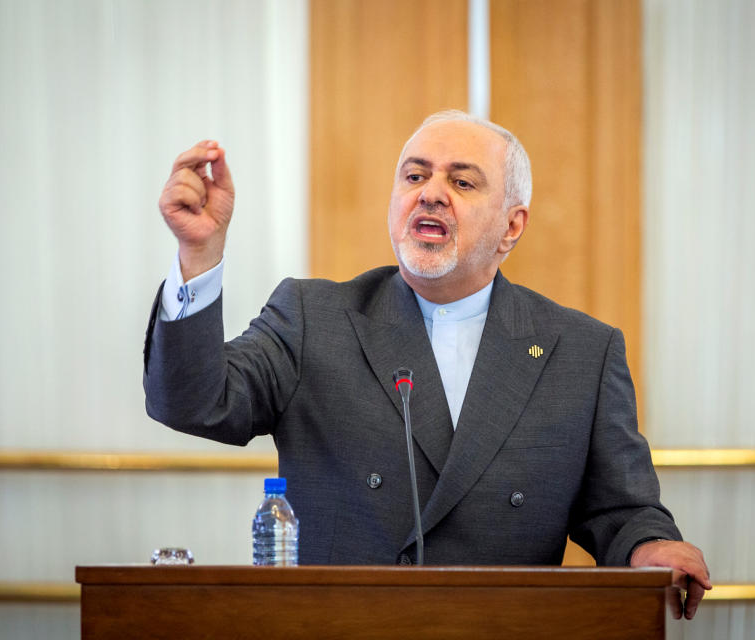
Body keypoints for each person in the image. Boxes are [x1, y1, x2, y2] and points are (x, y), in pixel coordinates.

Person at [144, 110, 711, 619]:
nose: (431, 193)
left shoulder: (582, 351)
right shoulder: (313, 316)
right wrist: (199, 257)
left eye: (462, 182)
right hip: (341, 630)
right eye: (415, 176)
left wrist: (652, 546)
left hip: (502, 631)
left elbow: (622, 507)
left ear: (512, 226)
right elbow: (195, 401)